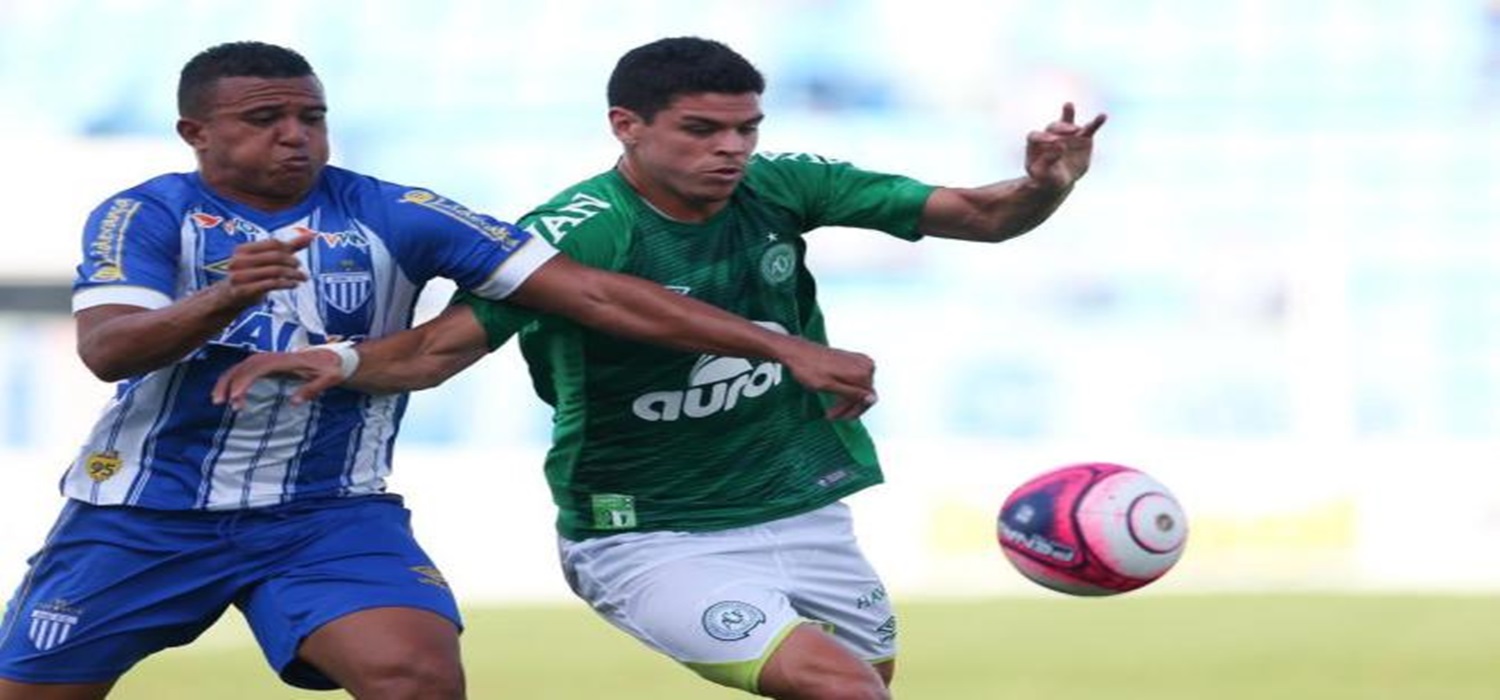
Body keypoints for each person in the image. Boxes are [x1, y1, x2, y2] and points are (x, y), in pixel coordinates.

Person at [215, 36, 1104, 700]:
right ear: (626, 127)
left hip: (804, 510)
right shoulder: (578, 231)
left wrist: (1045, 187)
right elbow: (438, 350)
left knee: (857, 687)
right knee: (846, 691)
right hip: (648, 534)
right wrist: (338, 358)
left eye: (746, 128)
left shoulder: (782, 185)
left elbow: (978, 217)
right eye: (702, 129)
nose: (731, 148)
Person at [0, 40, 879, 700]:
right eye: (264, 119)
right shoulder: (145, 213)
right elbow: (108, 349)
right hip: (140, 517)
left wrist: (785, 344)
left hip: (326, 513)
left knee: (416, 675)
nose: (295, 136)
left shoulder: (394, 212)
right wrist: (222, 299)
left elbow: (594, 294)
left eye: (310, 116)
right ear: (195, 132)